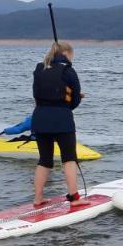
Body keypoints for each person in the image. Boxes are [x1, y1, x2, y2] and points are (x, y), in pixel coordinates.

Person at [31, 40, 84, 206]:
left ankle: (38, 198)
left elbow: (36, 94)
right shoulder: (69, 71)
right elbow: (74, 100)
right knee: (69, 159)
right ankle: (74, 198)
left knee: (44, 160)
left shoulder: (39, 69)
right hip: (62, 120)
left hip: (39, 118)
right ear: (67, 54)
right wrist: (70, 102)